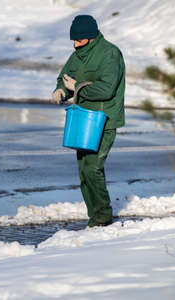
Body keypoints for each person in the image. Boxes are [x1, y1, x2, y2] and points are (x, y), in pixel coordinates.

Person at [52, 15, 125, 227]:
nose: (75, 44)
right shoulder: (77, 54)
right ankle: (94, 215)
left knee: (93, 167)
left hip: (104, 118)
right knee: (84, 170)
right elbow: (65, 76)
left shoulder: (110, 54)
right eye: (73, 40)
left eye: (80, 40)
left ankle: (102, 217)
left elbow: (106, 88)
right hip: (83, 117)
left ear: (91, 37)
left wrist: (78, 86)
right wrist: (60, 90)